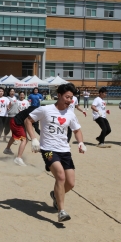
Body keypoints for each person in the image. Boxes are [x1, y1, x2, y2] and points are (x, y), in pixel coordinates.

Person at [24, 83, 87, 223]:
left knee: (70, 183)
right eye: (67, 97)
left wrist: (81, 143)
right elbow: (28, 121)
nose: (69, 100)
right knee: (60, 175)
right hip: (48, 149)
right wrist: (34, 139)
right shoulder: (45, 110)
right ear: (58, 95)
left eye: (71, 98)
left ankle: (55, 195)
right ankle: (61, 211)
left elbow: (77, 130)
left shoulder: (70, 113)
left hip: (65, 150)